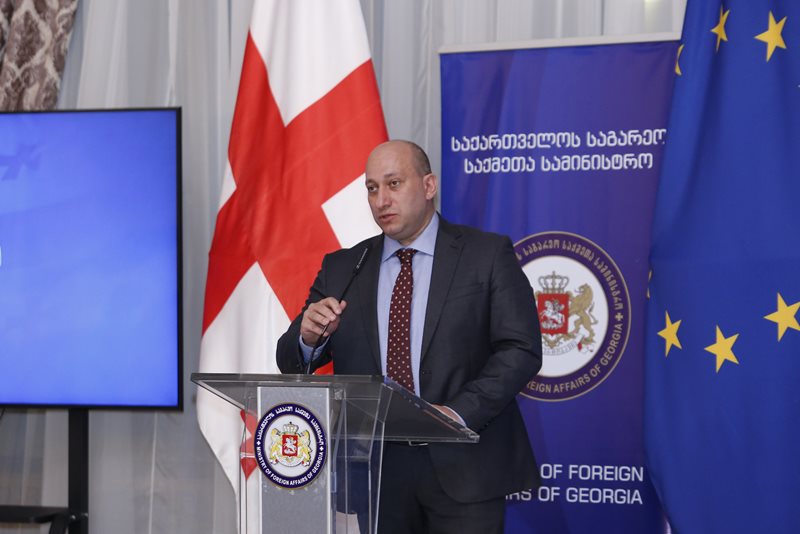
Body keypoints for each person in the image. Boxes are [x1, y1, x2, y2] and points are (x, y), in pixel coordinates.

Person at [276, 140, 542, 533]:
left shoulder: (485, 254)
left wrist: (457, 414)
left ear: (429, 185)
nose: (381, 200)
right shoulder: (344, 267)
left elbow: (520, 349)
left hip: (465, 464)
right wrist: (309, 336)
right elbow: (290, 359)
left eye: (394, 184)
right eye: (372, 188)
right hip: (377, 472)